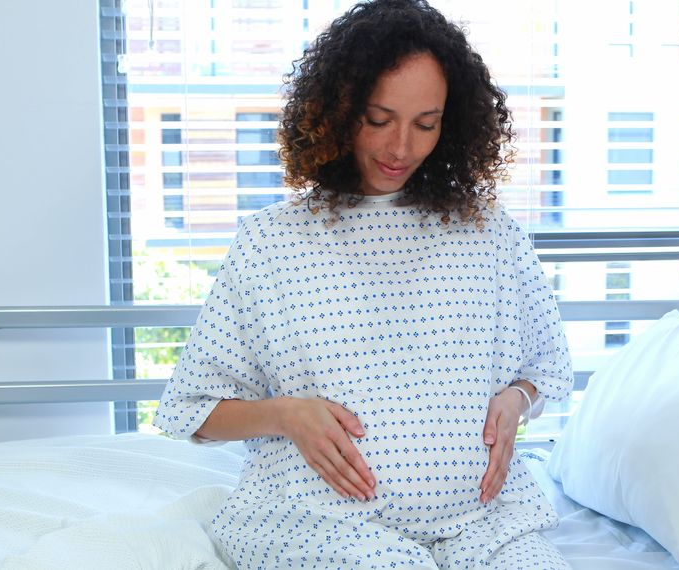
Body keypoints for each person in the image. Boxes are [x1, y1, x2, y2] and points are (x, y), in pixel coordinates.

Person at [153, 1, 573, 568]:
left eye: (426, 124)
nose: (402, 147)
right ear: (338, 112)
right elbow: (193, 411)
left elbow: (547, 368)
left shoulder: (490, 234)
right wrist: (287, 414)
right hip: (317, 522)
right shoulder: (271, 243)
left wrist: (515, 398)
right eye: (379, 119)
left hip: (485, 522)